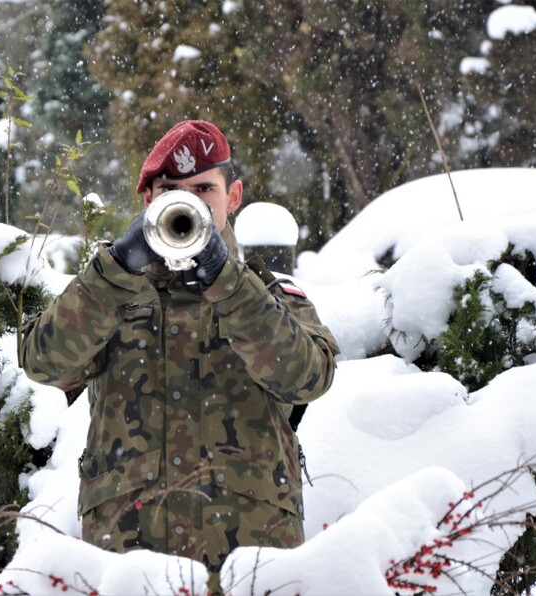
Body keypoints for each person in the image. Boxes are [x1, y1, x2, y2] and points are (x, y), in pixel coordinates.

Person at [20, 120, 339, 590]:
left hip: (249, 561)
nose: (189, 201)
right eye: (171, 189)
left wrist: (228, 284)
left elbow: (307, 378)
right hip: (129, 560)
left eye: (204, 188)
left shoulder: (270, 295)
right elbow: (43, 362)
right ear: (149, 201)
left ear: (232, 198)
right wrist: (115, 270)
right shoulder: (111, 292)